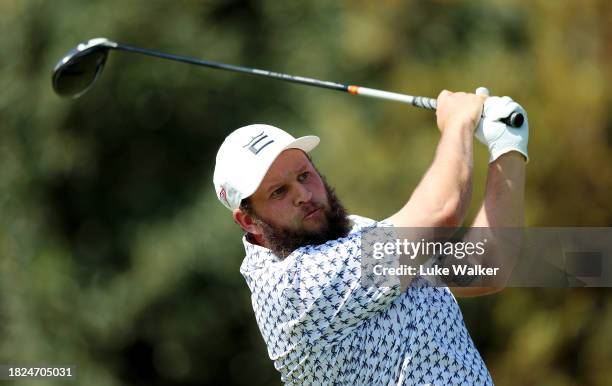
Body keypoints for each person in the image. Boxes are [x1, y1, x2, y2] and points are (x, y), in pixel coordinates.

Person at [213, 89, 528, 385]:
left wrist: (508, 147)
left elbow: (484, 267)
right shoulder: (294, 287)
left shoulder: (352, 235)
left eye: (304, 175)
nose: (304, 194)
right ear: (247, 221)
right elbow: (440, 212)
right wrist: (457, 122)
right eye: (279, 192)